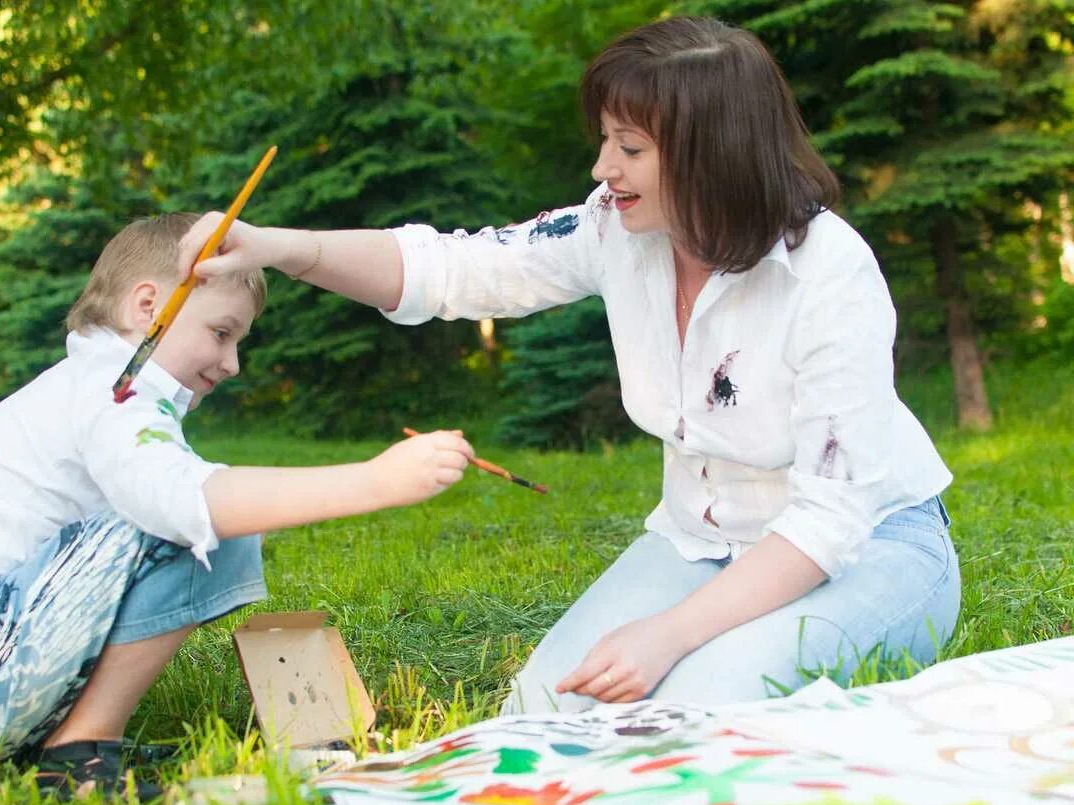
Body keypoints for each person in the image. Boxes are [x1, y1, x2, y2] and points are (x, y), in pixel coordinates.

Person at [178, 16, 959, 714]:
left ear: (711, 153)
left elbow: (829, 521)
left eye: (629, 148)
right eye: (605, 140)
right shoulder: (614, 229)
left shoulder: (828, 274)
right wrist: (278, 246)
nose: (601, 168)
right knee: (541, 708)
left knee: (688, 712)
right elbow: (458, 268)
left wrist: (666, 636)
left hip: (868, 550)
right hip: (698, 542)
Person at [0, 213, 475, 800]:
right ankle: (76, 763)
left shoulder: (99, 385)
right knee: (198, 515)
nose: (232, 363)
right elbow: (181, 501)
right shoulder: (114, 389)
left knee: (220, 514)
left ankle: (69, 740)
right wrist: (375, 481)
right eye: (221, 333)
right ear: (147, 308)